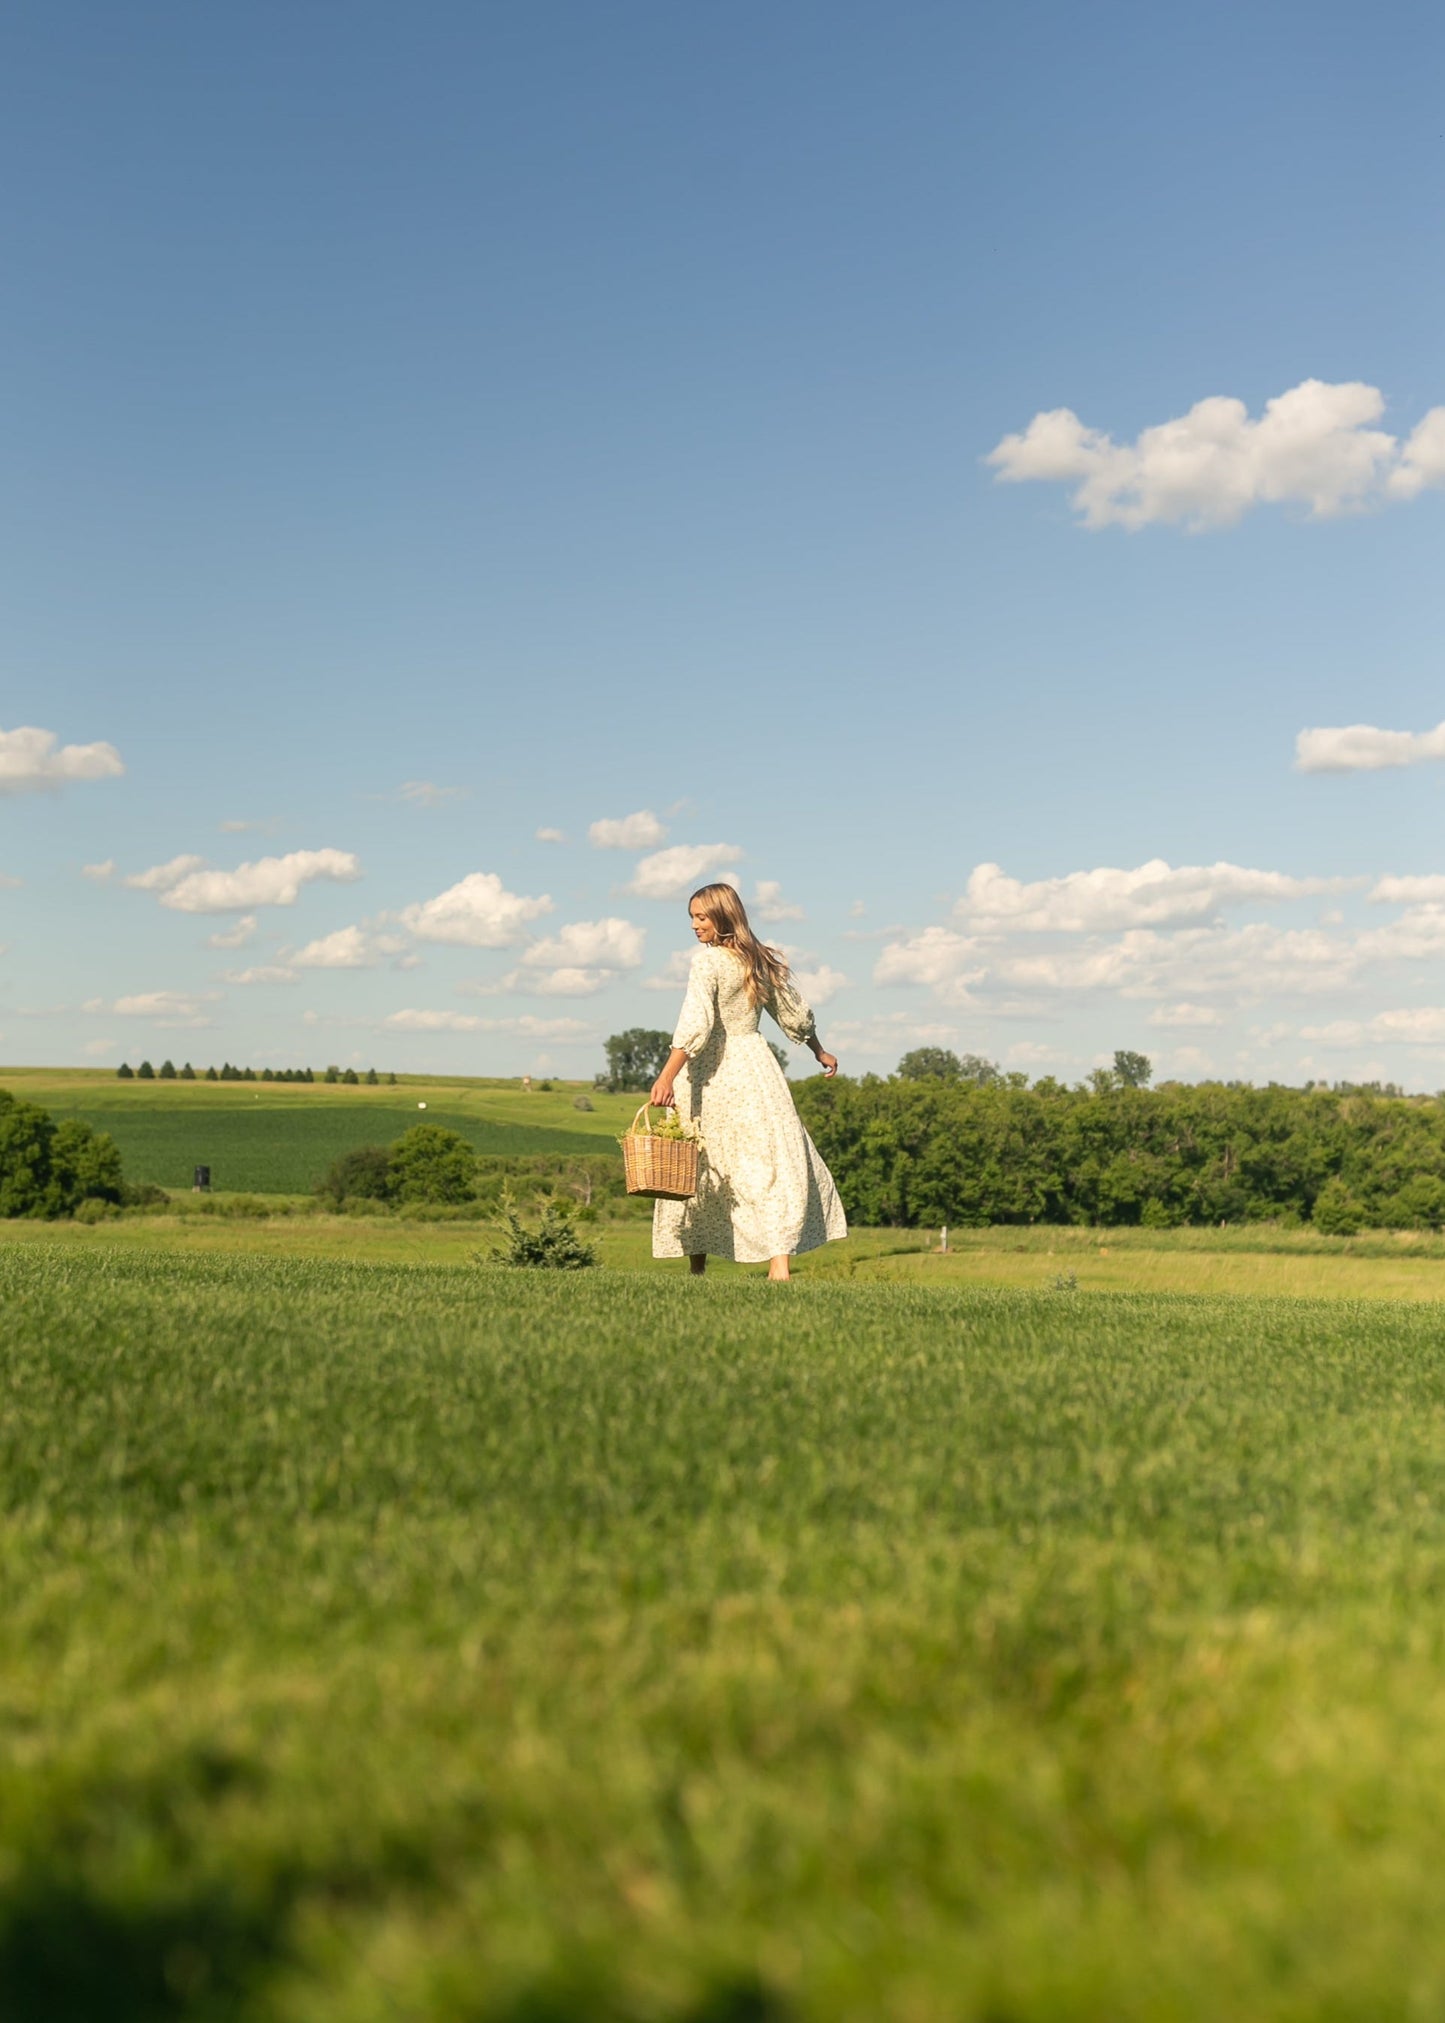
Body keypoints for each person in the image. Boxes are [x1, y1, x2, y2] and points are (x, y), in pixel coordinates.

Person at [649, 882, 847, 1280]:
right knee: (766, 1162)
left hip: (708, 1074)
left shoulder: (707, 963)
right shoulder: (756, 958)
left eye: (701, 917)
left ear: (723, 917)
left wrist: (666, 1076)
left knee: (700, 1163)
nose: (694, 925)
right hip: (754, 1067)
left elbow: (696, 1022)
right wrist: (819, 1050)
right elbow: (792, 1013)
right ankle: (779, 1265)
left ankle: (698, 1269)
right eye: (692, 917)